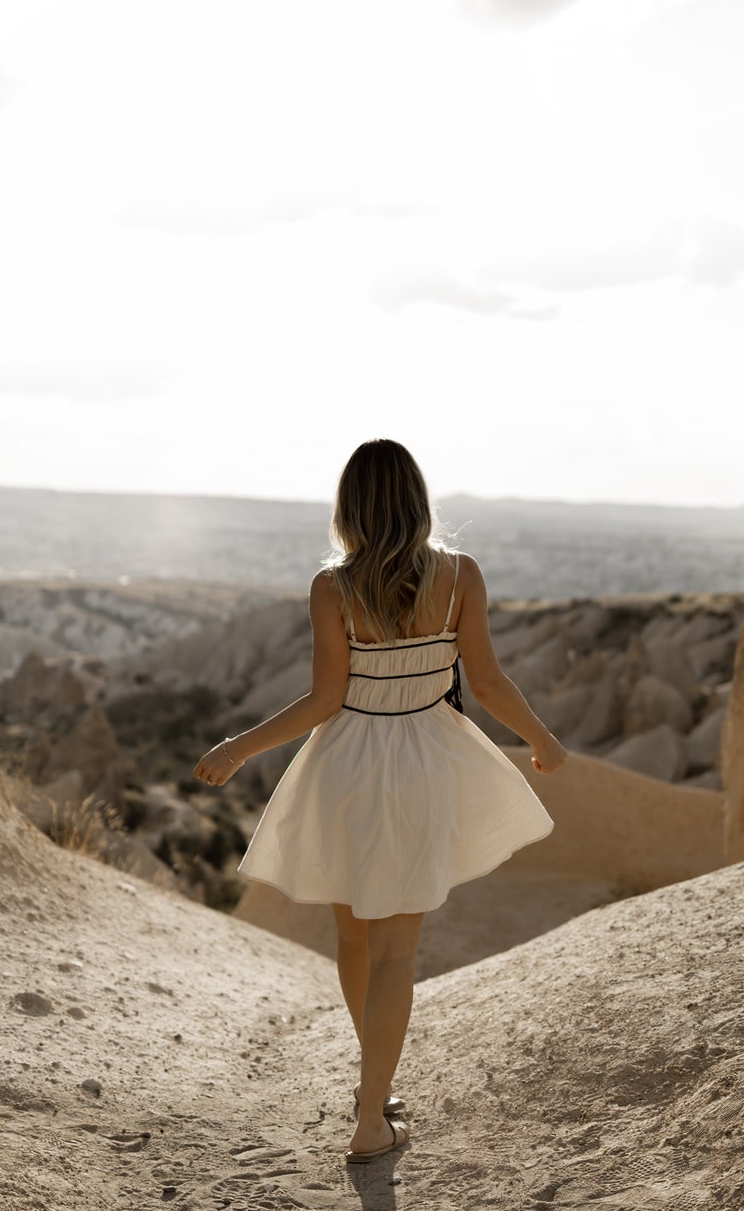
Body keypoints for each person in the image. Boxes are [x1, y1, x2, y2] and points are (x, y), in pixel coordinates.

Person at [194, 439, 566, 1164]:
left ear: (350, 508)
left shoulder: (332, 588)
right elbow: (487, 684)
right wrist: (544, 741)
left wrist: (240, 746)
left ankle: (375, 1096)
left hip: (349, 763)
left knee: (356, 936)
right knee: (397, 950)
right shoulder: (461, 577)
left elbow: (325, 699)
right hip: (428, 759)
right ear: (418, 501)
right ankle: (373, 1111)